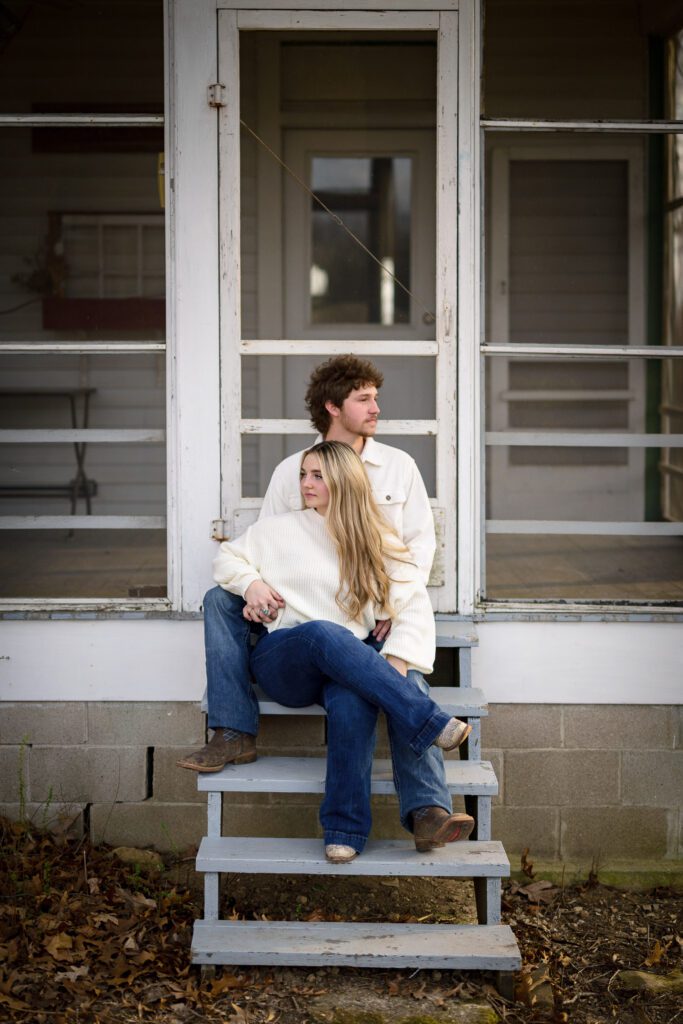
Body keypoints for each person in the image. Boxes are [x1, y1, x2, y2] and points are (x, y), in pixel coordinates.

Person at [177, 355, 462, 852]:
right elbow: (234, 560)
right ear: (334, 407)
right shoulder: (280, 526)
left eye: (317, 477)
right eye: (305, 476)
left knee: (355, 700)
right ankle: (430, 721)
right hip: (287, 652)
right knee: (324, 634)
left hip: (354, 650)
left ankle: (357, 830)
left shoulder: (374, 531)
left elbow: (412, 582)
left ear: (345, 482)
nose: (306, 485)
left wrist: (394, 652)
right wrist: (252, 588)